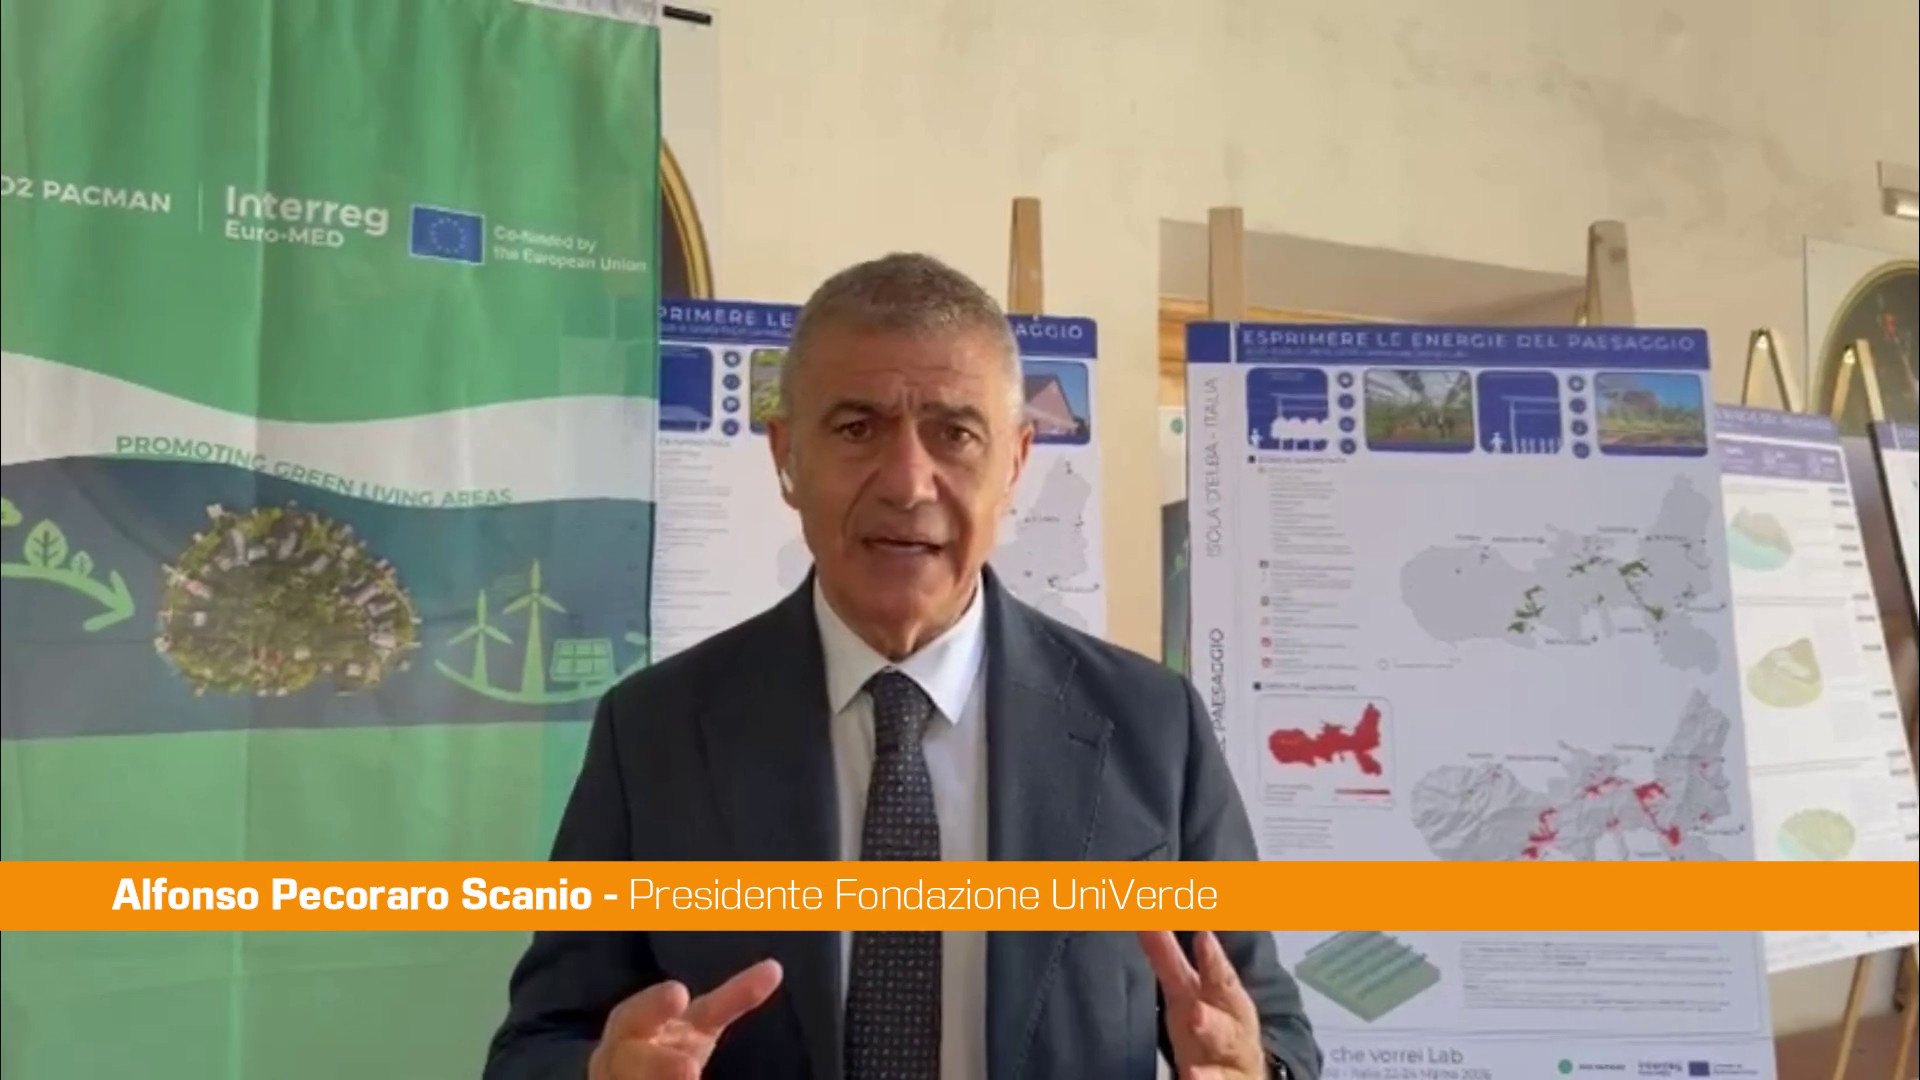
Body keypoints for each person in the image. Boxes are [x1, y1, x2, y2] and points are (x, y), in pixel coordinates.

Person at [482, 253, 1321, 1080]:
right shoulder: (656, 733)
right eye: (857, 429)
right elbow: (536, 1044)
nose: (908, 483)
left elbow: (1267, 1028)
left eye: (955, 434)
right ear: (786, 457)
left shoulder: (1152, 726)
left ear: (1015, 463)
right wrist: (602, 1076)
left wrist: (1253, 1070)